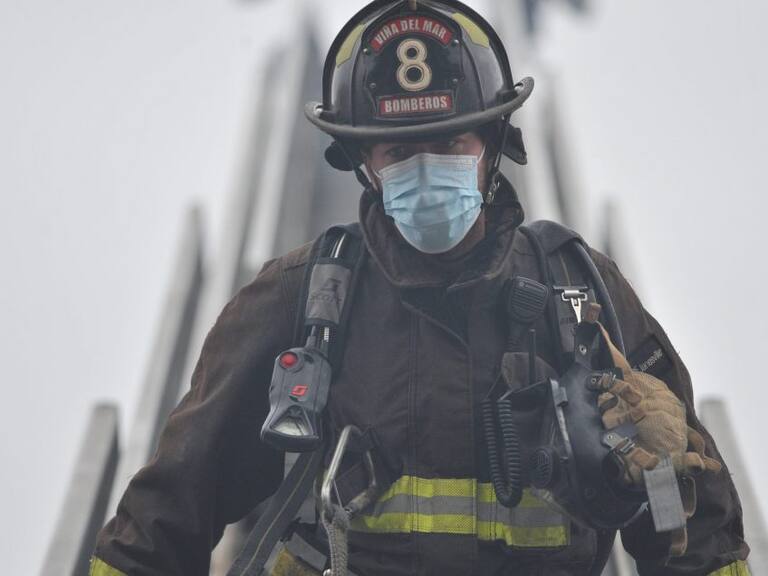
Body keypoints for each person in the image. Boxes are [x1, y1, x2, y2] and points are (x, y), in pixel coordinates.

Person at [90, 1, 751, 575]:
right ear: (363, 164)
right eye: (398, 152)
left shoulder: (581, 296)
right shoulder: (299, 299)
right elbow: (164, 518)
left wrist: (662, 478)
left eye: (451, 142)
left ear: (494, 146)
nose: (426, 171)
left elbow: (695, 537)